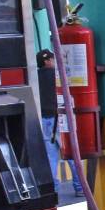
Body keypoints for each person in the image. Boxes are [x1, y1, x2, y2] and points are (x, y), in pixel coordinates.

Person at [35, 49, 62, 190]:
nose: (54, 61)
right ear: (47, 61)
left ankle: (54, 189)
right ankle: (80, 187)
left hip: (44, 120)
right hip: (59, 119)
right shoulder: (57, 75)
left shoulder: (35, 77)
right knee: (70, 154)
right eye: (52, 59)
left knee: (51, 157)